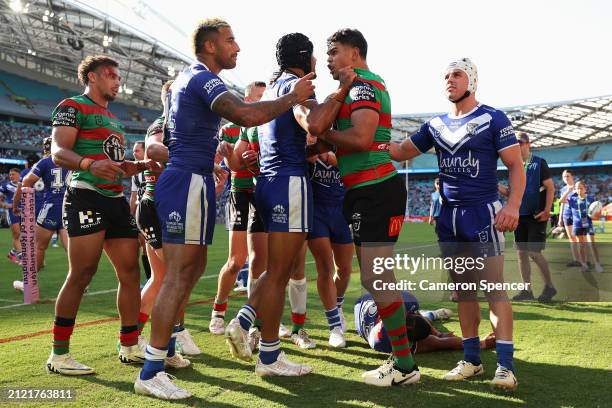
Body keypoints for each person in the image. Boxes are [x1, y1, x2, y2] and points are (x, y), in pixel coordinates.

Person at [135, 19, 316, 400]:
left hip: (195, 180)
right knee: (177, 274)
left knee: (191, 269)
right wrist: (293, 97)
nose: (237, 47)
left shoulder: (192, 80)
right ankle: (151, 369)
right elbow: (246, 115)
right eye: (230, 40)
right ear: (210, 45)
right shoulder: (203, 78)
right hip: (185, 181)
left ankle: (166, 351)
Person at [224, 31, 356, 378]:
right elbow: (312, 122)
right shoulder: (295, 87)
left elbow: (292, 141)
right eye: (315, 57)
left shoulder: (272, 88)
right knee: (280, 271)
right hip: (290, 185)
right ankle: (249, 331)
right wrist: (340, 92)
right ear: (306, 58)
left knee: (278, 271)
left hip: (269, 183)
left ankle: (266, 350)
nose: (318, 63)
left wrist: (321, 148)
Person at [390, 58, 525, 391]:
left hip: (483, 213)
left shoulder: (493, 118)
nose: (450, 80)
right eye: (446, 76)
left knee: (494, 289)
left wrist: (513, 205)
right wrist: (365, 137)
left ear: (472, 81)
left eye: (457, 75)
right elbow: (397, 152)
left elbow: (516, 166)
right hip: (448, 217)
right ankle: (472, 360)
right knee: (463, 291)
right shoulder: (435, 125)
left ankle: (505, 367)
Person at [314, 28, 420, 387]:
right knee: (376, 278)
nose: (329, 58)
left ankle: (405, 366)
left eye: (334, 51)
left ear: (355, 53)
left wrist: (324, 134)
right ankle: (403, 361)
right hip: (364, 192)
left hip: (377, 189)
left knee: (378, 277)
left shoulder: (363, 86)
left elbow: (360, 139)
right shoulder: (353, 89)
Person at [47, 55, 155, 376]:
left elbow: (113, 165)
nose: (117, 81)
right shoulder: (72, 106)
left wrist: (134, 167)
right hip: (85, 196)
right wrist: (89, 164)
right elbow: (57, 152)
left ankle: (129, 344)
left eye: (118, 77)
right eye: (110, 75)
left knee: (131, 273)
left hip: (115, 200)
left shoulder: (115, 120)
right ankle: (59, 354)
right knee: (82, 274)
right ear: (92, 77)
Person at [209, 81, 267, 336]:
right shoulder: (230, 130)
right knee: (236, 260)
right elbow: (227, 165)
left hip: (262, 195)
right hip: (240, 194)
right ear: (245, 101)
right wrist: (234, 159)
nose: (261, 104)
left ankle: (258, 315)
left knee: (262, 263)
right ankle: (218, 311)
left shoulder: (270, 126)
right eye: (256, 99)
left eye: (264, 99)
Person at [306, 135, 353, 347]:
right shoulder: (308, 148)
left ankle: (338, 306)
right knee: (324, 267)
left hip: (341, 213)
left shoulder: (346, 147)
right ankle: (334, 326)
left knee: (344, 269)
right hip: (317, 213)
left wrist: (339, 160)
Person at [499, 132, 557, 302]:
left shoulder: (539, 163)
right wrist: (493, 184)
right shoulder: (513, 166)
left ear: (528, 144)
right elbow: (510, 193)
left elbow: (550, 188)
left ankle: (549, 286)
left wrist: (547, 210)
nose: (517, 145)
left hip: (536, 215)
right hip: (519, 215)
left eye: (520, 142)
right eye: (514, 143)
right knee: (521, 253)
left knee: (533, 251)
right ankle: (527, 290)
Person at [354, 292, 495, 354]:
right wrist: (483, 343)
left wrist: (438, 333)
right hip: (362, 304)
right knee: (434, 340)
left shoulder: (406, 302)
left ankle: (431, 315)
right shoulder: (382, 341)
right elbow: (441, 344)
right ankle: (432, 314)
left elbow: (415, 316)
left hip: (363, 301)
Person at [12, 137, 69, 273]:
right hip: (69, 206)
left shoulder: (44, 162)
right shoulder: (71, 160)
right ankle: (81, 283)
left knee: (39, 246)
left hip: (51, 206)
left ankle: (30, 284)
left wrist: (15, 205)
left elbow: (25, 182)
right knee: (69, 248)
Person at [560, 181, 604, 272]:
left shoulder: (591, 199)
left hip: (588, 224)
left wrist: (595, 216)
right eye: (577, 188)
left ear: (585, 189)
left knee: (592, 244)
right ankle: (584, 265)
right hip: (577, 226)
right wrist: (568, 191)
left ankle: (597, 265)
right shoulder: (572, 198)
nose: (579, 190)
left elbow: (597, 214)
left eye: (581, 188)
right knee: (581, 245)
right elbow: (561, 201)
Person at [129, 141, 152, 281]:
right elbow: (133, 196)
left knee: (151, 245)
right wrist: (130, 215)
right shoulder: (134, 172)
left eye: (137, 150)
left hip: (153, 211)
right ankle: (150, 278)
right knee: (144, 245)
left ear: (145, 152)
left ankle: (155, 277)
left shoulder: (154, 168)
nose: (134, 153)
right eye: (133, 150)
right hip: (140, 213)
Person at [558, 170, 581, 266]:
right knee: (572, 238)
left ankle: (583, 259)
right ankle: (576, 260)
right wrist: (560, 218)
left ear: (572, 177)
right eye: (564, 177)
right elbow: (562, 204)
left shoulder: (578, 188)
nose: (566, 178)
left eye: (567, 176)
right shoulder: (563, 189)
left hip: (577, 215)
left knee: (580, 238)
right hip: (566, 215)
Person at [0, 168, 22, 264]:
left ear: (18, 174)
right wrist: (6, 205)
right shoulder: (5, 185)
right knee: (16, 235)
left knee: (25, 236)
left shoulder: (24, 183)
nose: (11, 176)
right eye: (10, 174)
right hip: (12, 212)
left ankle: (12, 253)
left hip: (24, 212)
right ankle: (22, 259)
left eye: (13, 174)